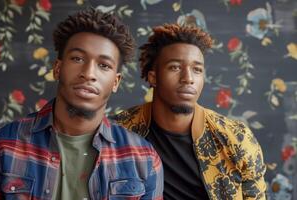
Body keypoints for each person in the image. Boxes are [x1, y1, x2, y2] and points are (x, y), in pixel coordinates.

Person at [0, 8, 163, 200]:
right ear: (58, 68)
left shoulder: (143, 158)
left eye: (104, 65)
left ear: (116, 82)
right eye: (77, 58)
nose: (89, 73)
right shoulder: (5, 144)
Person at [112, 24, 266, 200]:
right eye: (175, 67)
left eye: (197, 69)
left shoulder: (236, 138)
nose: (188, 78)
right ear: (153, 77)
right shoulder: (118, 133)